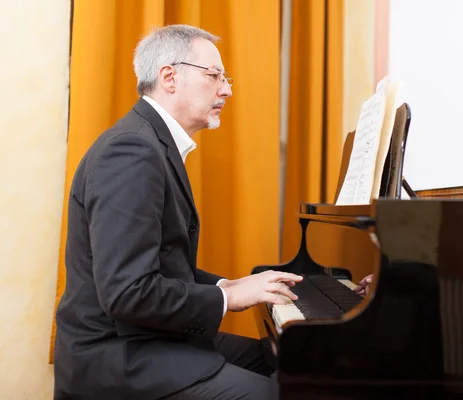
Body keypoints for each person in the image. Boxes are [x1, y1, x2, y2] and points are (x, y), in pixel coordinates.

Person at [53, 24, 303, 400]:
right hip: (122, 357)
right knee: (277, 393)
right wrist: (229, 300)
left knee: (291, 363)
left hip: (150, 339)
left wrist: (225, 285)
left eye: (225, 78)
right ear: (169, 77)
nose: (227, 89)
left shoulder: (149, 142)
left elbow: (160, 261)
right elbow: (127, 292)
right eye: (214, 76)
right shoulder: (132, 152)